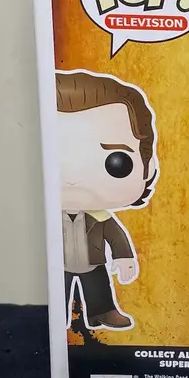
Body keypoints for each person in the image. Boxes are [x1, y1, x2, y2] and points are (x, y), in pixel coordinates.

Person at [56, 70, 158, 329]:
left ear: (148, 168)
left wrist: (124, 257)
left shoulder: (101, 218)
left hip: (94, 263)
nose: (74, 178)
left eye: (117, 162)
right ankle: (54, 317)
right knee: (56, 292)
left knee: (98, 286)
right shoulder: (44, 219)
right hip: (56, 266)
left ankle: (102, 312)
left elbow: (116, 237)